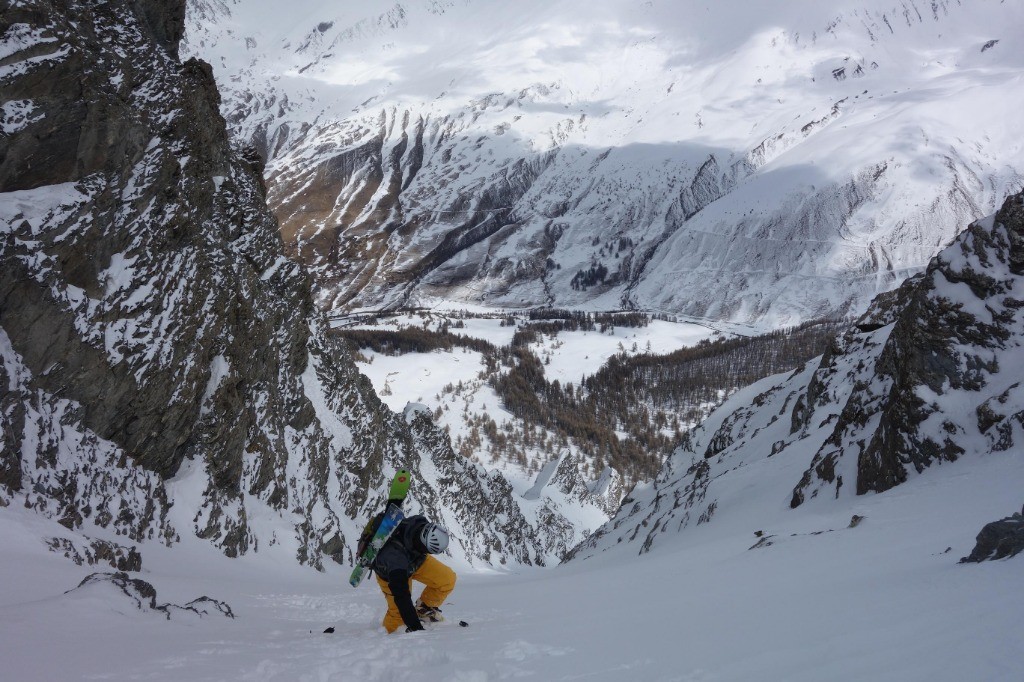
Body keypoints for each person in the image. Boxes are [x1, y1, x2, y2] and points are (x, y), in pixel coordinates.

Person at [372, 514, 457, 633]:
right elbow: (402, 597)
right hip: (391, 573)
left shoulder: (419, 523)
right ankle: (388, 639)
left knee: (447, 580)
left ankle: (423, 609)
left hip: (415, 559)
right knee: (398, 615)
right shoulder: (395, 557)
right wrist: (415, 625)